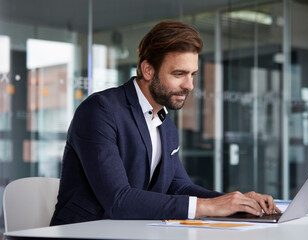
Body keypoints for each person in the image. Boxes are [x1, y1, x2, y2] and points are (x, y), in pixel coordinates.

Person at [50, 20, 280, 226]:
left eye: (193, 74)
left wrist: (236, 203)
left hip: (129, 232)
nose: (189, 85)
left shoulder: (164, 123)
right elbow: (118, 200)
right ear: (148, 70)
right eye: (179, 74)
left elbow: (179, 186)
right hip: (82, 232)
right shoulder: (100, 110)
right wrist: (210, 207)